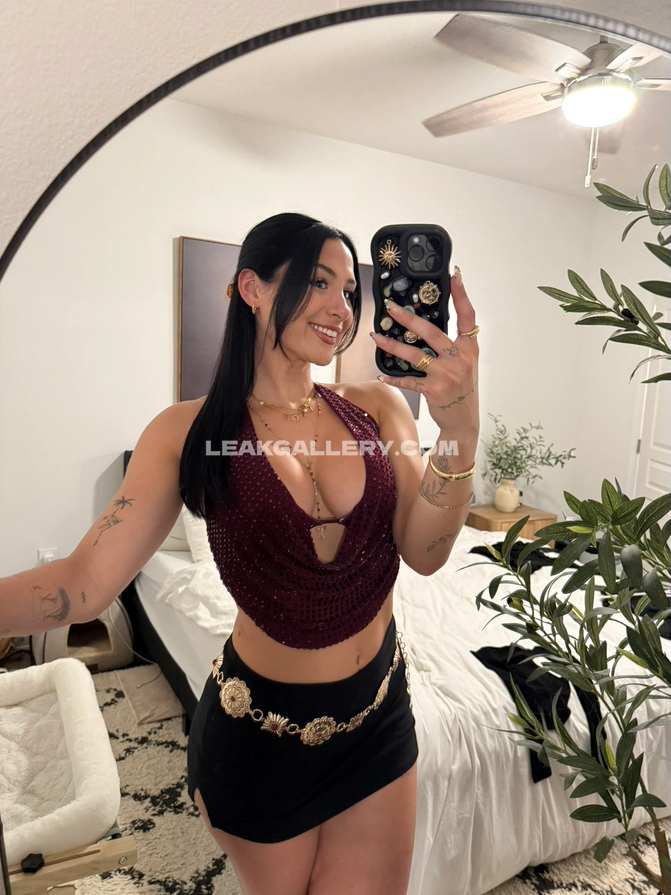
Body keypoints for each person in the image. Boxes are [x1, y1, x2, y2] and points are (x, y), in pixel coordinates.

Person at [0, 212, 480, 895]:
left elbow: (424, 552)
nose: (340, 308)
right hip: (261, 734)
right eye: (317, 281)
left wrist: (459, 429)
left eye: (349, 290)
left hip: (377, 715)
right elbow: (83, 584)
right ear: (251, 288)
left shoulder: (379, 408)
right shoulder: (188, 432)